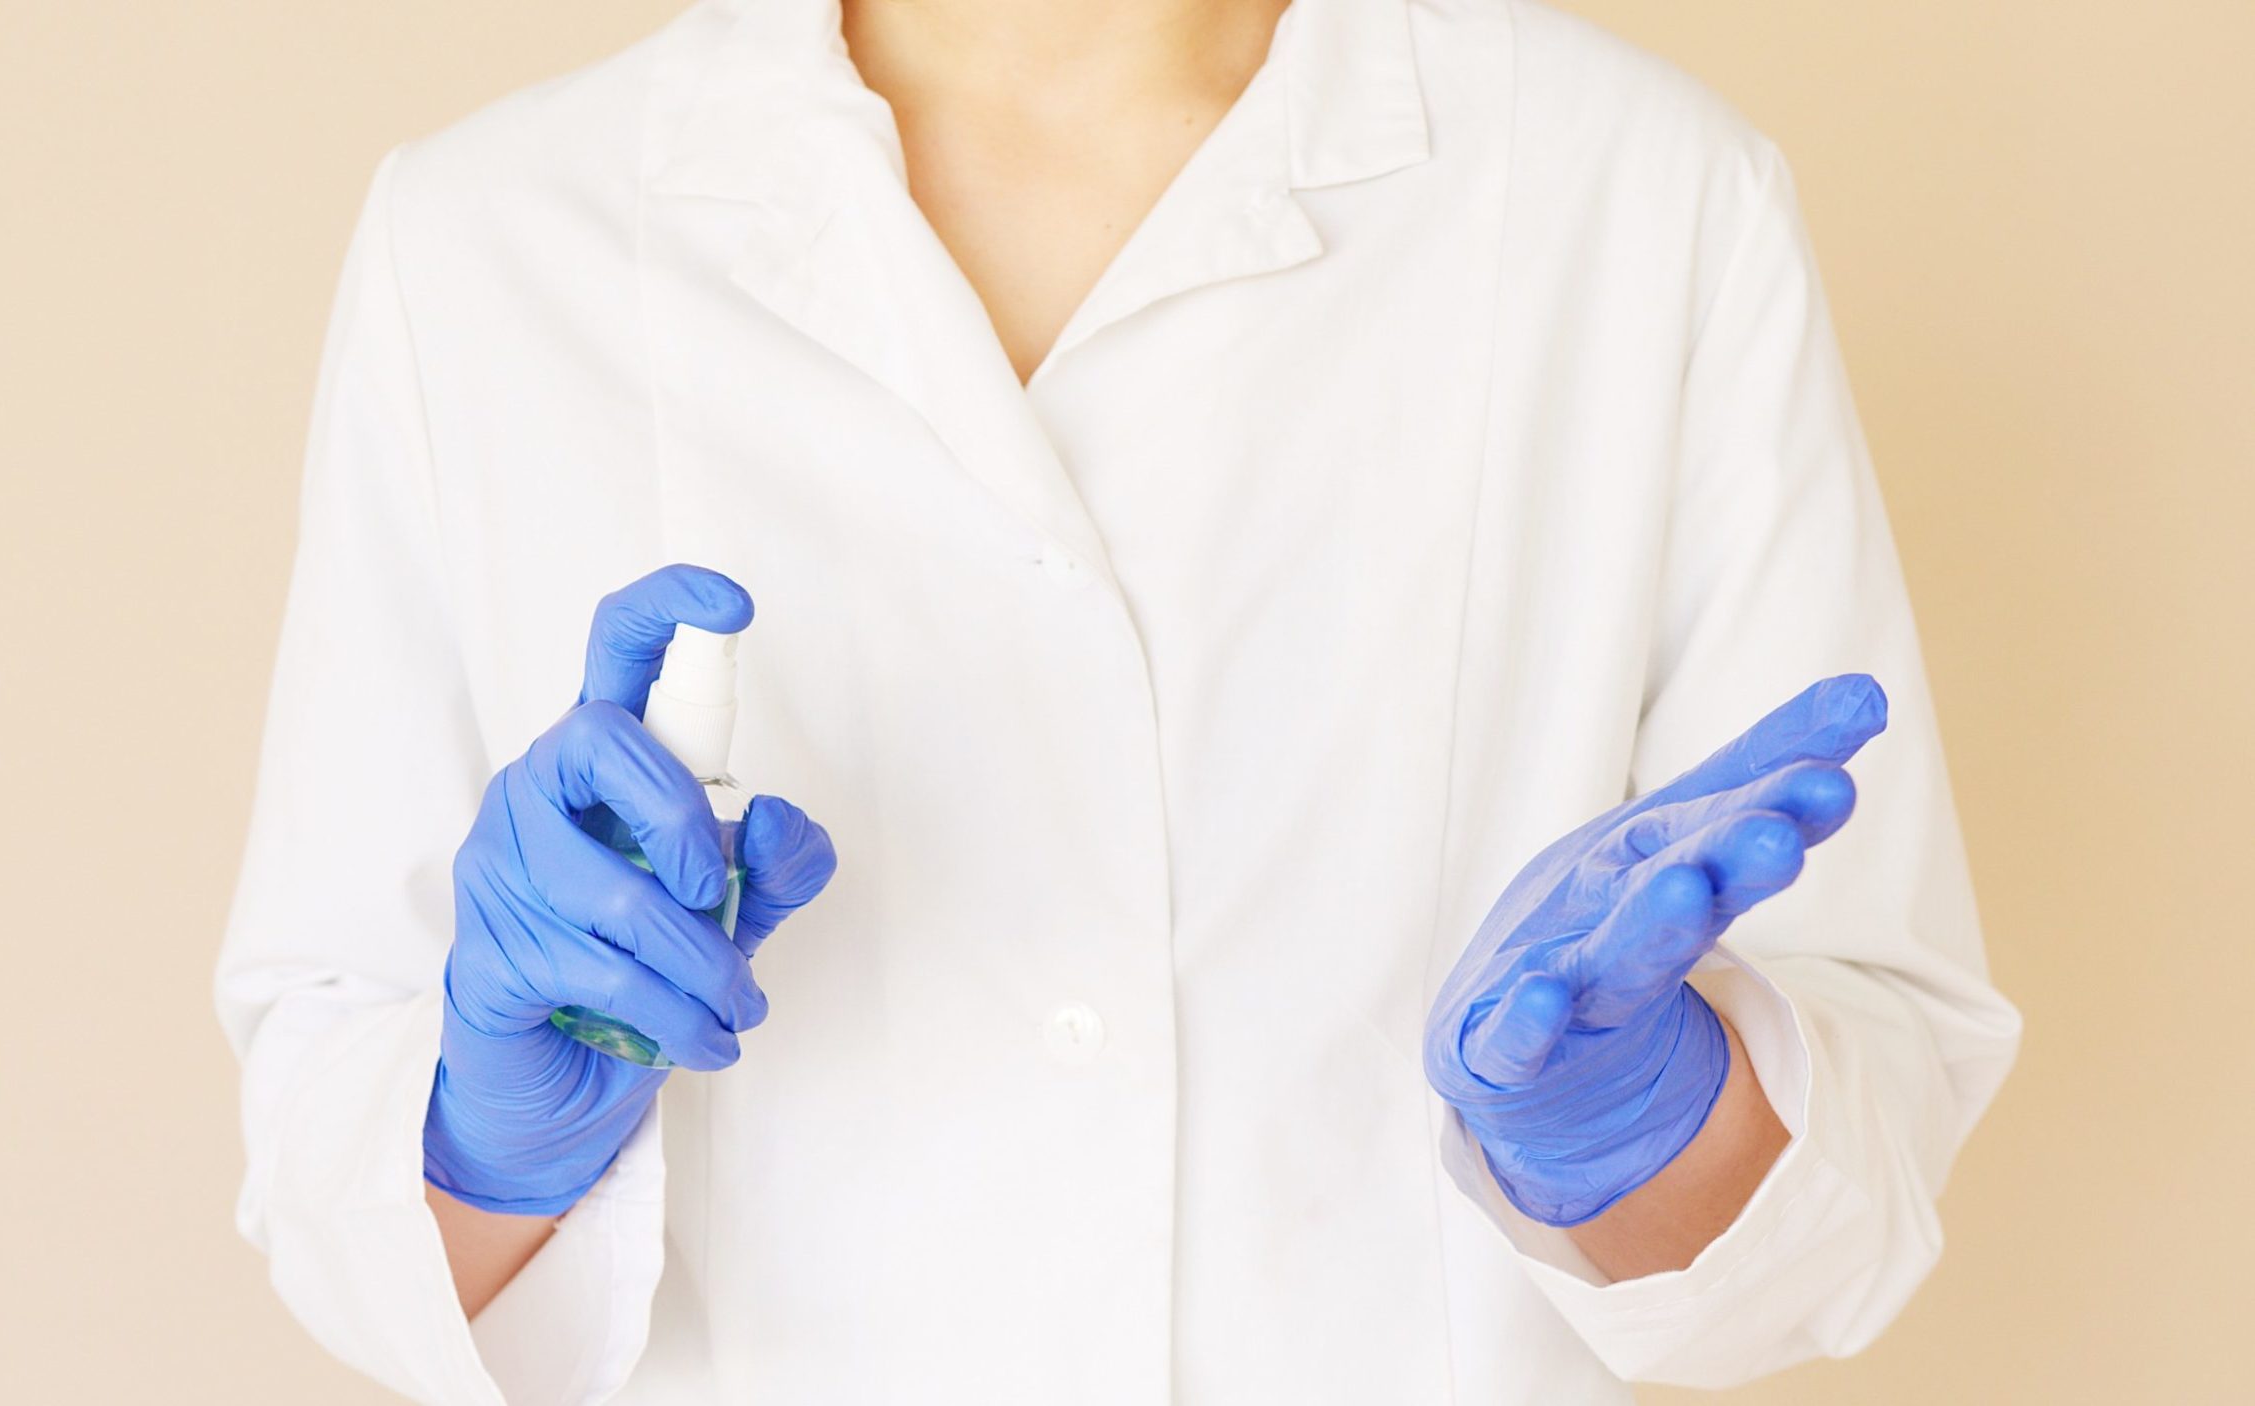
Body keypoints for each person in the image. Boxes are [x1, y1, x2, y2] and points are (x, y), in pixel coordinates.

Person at [215, 0, 2021, 1400]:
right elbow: (337, 1171)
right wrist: (485, 1121)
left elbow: (1860, 1151)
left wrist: (1650, 1119)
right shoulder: (486, 244)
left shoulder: (1639, 201)